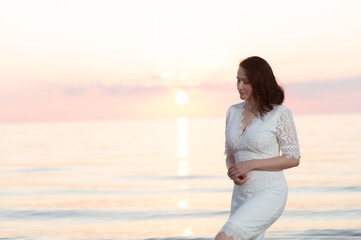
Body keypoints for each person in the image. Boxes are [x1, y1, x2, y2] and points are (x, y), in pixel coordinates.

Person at [215, 56, 300, 240]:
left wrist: (251, 164)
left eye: (246, 82)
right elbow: (230, 153)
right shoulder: (232, 112)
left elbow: (293, 158)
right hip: (241, 194)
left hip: (269, 192)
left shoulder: (280, 113)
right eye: (238, 80)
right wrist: (233, 169)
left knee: (223, 238)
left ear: (259, 82)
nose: (239, 86)